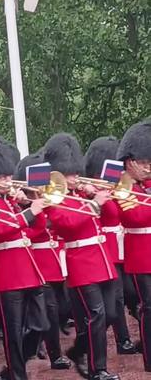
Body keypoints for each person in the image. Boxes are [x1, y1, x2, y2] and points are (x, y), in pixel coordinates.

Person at [0, 135, 49, 380]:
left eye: (7, 175)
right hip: (8, 274)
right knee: (12, 332)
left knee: (40, 325)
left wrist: (34, 207)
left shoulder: (10, 203)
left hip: (28, 270)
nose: (8, 180)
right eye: (2, 177)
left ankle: (12, 370)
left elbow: (34, 231)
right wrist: (27, 214)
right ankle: (17, 374)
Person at [43, 133, 120, 380]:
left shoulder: (82, 195)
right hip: (81, 263)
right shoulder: (54, 198)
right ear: (58, 174)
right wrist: (94, 204)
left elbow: (112, 217)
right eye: (70, 174)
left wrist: (98, 194)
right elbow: (68, 224)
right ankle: (99, 370)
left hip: (101, 261)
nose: (75, 177)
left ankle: (79, 351)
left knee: (110, 314)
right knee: (96, 315)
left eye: (76, 172)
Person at [13, 152, 71, 370]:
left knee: (62, 309)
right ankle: (54, 355)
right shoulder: (22, 207)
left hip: (54, 261)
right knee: (50, 311)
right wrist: (35, 209)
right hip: (36, 262)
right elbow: (34, 232)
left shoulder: (43, 203)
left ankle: (35, 346)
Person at [84, 136, 136, 354]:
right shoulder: (95, 189)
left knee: (131, 294)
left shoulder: (118, 185)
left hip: (125, 245)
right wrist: (98, 196)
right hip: (108, 248)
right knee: (117, 298)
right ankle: (121, 340)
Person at [116, 119, 151, 371]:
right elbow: (134, 217)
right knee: (149, 307)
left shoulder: (145, 185)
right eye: (145, 162)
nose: (149, 166)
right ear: (130, 162)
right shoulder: (123, 187)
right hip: (140, 254)